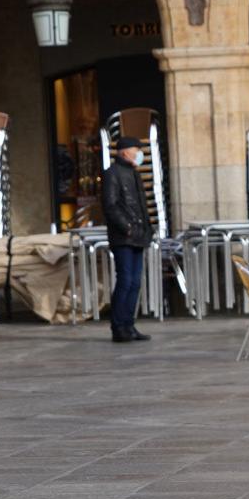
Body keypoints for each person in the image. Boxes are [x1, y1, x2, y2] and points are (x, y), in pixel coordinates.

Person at [101, 136, 153, 343]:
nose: (139, 154)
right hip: (124, 236)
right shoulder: (112, 173)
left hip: (138, 235)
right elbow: (110, 205)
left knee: (135, 282)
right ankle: (119, 326)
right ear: (124, 152)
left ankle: (129, 324)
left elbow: (140, 205)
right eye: (136, 150)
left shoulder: (134, 173)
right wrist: (127, 227)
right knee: (125, 280)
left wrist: (147, 230)